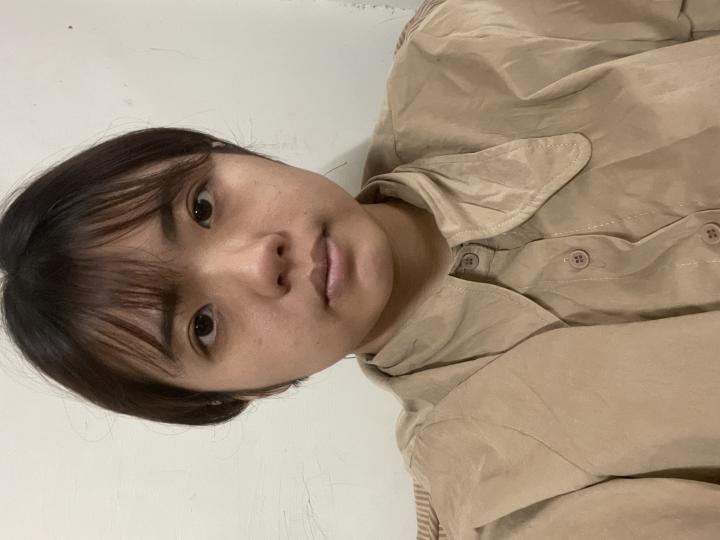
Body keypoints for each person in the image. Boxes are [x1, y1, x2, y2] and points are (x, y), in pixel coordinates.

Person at [3, 0, 720, 538]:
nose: (257, 260)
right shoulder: (496, 496)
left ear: (224, 152)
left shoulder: (473, 41)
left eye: (201, 206)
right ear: (244, 394)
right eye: (204, 326)